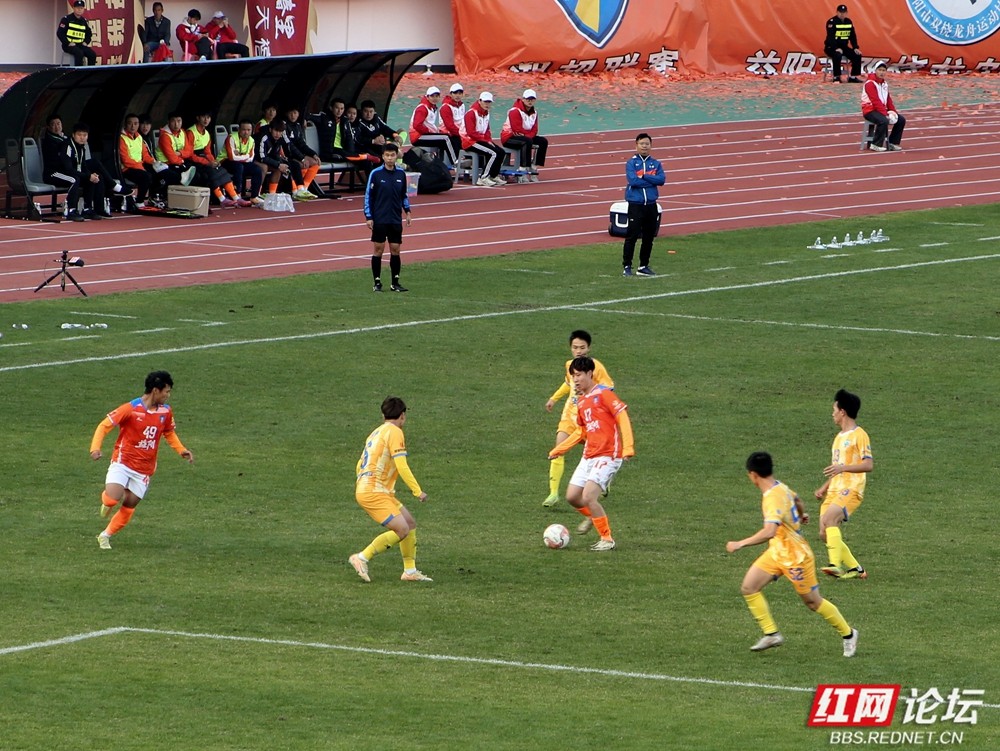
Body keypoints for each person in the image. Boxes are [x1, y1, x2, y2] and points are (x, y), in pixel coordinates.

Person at [726, 451, 859, 657]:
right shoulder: (780, 486)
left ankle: (849, 634)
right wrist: (801, 514)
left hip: (797, 557)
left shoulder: (772, 498)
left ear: (753, 475)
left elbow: (769, 531)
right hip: (777, 552)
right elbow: (797, 500)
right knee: (749, 587)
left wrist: (740, 543)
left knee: (813, 602)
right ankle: (772, 634)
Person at [91, 371, 193, 550]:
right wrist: (95, 448)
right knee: (112, 500)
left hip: (144, 470)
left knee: (129, 505)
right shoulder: (130, 409)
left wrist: (181, 450)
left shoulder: (166, 411)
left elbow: (168, 432)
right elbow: (104, 425)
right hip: (123, 463)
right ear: (155, 390)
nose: (168, 395)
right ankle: (107, 503)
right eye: (166, 391)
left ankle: (105, 536)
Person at [547, 356, 633, 552]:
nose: (576, 380)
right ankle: (595, 517)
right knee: (572, 497)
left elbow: (622, 416)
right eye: (573, 376)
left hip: (608, 455)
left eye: (579, 375)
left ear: (590, 373)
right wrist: (559, 450)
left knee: (588, 496)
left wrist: (628, 447)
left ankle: (607, 538)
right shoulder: (582, 401)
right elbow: (581, 432)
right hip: (589, 455)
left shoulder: (604, 394)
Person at [348, 396, 432, 583]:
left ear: (383, 415)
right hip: (374, 491)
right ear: (402, 416)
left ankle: (409, 571)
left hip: (375, 489)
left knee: (409, 523)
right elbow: (401, 465)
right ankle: (361, 557)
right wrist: (417, 491)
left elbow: (360, 463)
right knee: (402, 529)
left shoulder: (376, 433)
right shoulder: (395, 432)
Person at [543, 330, 614, 519]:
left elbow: (609, 386)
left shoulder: (596, 367)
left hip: (589, 419)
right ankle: (553, 493)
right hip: (570, 416)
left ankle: (602, 480)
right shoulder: (569, 365)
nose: (579, 351)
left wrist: (591, 393)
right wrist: (554, 398)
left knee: (595, 454)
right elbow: (568, 383)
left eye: (582, 347)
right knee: (559, 447)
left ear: (588, 348)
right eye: (575, 347)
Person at [814, 389, 873, 580]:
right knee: (824, 532)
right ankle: (856, 569)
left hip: (852, 488)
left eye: (834, 410)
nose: (832, 414)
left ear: (842, 412)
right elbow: (838, 468)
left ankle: (836, 565)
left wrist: (843, 468)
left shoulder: (859, 435)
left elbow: (868, 465)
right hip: (834, 489)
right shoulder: (839, 438)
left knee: (830, 518)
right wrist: (824, 487)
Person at [363, 142, 412, 292]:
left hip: (395, 218)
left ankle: (395, 282)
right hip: (380, 218)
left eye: (392, 155)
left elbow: (404, 195)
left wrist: (408, 211)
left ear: (396, 156)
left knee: (395, 249)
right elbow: (368, 196)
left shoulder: (401, 174)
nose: (390, 158)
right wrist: (368, 216)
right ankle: (377, 282)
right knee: (378, 249)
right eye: (387, 155)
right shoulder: (376, 174)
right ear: (383, 156)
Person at [185, 110, 251, 207]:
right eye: (203, 117)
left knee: (221, 170)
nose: (206, 120)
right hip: (193, 161)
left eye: (208, 117)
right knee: (211, 172)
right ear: (198, 118)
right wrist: (207, 163)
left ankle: (236, 197)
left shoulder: (207, 133)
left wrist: (213, 161)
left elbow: (207, 152)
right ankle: (222, 199)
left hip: (204, 159)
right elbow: (190, 154)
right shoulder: (191, 132)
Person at [621, 132, 664, 277]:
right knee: (632, 236)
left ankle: (643, 266)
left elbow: (661, 180)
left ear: (651, 146)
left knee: (648, 238)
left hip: (651, 205)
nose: (644, 146)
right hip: (636, 205)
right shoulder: (631, 163)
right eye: (642, 143)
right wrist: (652, 180)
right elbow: (633, 181)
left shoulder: (656, 163)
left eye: (647, 144)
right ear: (636, 145)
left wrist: (644, 176)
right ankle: (627, 266)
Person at [119, 112, 176, 209]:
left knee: (161, 173)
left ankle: (153, 198)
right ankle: (139, 201)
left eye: (135, 123)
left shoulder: (139, 137)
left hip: (138, 166)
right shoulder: (122, 138)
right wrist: (141, 167)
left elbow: (145, 155)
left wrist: (155, 162)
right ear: (125, 124)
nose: (133, 126)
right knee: (146, 176)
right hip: (127, 169)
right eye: (130, 123)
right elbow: (126, 160)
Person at [256, 118, 316, 202]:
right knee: (266, 167)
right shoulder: (263, 137)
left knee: (293, 164)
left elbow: (289, 145)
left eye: (280, 132)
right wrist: (278, 164)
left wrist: (302, 158)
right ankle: (256, 194)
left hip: (269, 158)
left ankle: (299, 189)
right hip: (256, 159)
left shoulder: (281, 136)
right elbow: (262, 157)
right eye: (276, 131)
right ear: (270, 129)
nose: (278, 134)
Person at [500, 89, 548, 180]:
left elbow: (534, 129)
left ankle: (534, 167)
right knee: (527, 142)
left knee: (543, 141)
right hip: (509, 137)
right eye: (528, 99)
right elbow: (517, 130)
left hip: (526, 137)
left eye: (532, 99)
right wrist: (529, 136)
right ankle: (522, 169)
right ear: (523, 99)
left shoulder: (535, 113)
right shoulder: (515, 111)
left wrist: (529, 136)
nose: (530, 101)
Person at [460, 92, 506, 187]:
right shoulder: (471, 113)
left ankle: (493, 176)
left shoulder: (486, 114)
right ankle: (483, 178)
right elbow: (471, 133)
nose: (487, 104)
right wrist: (485, 141)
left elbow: (487, 130)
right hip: (469, 141)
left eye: (489, 102)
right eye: (485, 102)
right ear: (480, 101)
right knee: (493, 153)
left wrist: (489, 140)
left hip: (480, 140)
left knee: (501, 152)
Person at [408, 86, 461, 166]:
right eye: (432, 96)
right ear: (427, 97)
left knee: (447, 138)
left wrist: (435, 132)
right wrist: (428, 131)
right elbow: (417, 125)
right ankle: (455, 161)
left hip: (423, 135)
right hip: (418, 137)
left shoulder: (432, 108)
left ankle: (442, 164)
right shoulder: (423, 108)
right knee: (445, 138)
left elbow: (429, 124)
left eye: (436, 96)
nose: (434, 98)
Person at [862, 62, 906, 152]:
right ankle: (875, 144)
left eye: (883, 70)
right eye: (879, 70)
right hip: (870, 111)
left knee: (901, 120)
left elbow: (888, 99)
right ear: (875, 71)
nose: (881, 72)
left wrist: (893, 111)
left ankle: (892, 143)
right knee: (883, 121)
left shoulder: (884, 84)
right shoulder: (870, 84)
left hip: (881, 110)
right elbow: (875, 101)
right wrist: (885, 114)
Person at [223, 119, 264, 205]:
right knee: (239, 167)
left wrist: (240, 156)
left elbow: (251, 158)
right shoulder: (231, 138)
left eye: (249, 130)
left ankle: (254, 196)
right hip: (225, 161)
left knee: (257, 169)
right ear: (239, 130)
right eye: (244, 130)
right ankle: (237, 195)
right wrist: (246, 156)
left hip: (241, 163)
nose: (246, 132)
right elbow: (231, 157)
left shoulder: (252, 140)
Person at [283, 107, 323, 195]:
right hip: (288, 155)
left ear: (298, 114)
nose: (293, 115)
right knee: (302, 164)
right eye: (290, 113)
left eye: (295, 113)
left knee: (315, 162)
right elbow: (289, 146)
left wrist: (314, 154)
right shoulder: (284, 126)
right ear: (286, 114)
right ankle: (296, 189)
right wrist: (302, 158)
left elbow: (302, 144)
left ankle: (304, 188)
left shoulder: (298, 126)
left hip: (298, 155)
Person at [155, 112, 198, 189]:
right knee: (182, 178)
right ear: (168, 122)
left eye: (179, 121)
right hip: (166, 164)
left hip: (180, 161)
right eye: (173, 121)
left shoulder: (182, 132)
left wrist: (180, 153)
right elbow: (171, 158)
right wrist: (182, 161)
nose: (176, 124)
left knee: (198, 175)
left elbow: (189, 151)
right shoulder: (164, 136)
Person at [309, 98, 357, 162]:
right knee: (356, 158)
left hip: (343, 151)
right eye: (337, 108)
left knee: (363, 159)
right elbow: (308, 115)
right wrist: (305, 120)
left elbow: (349, 138)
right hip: (330, 153)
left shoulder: (345, 121)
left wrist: (351, 152)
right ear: (331, 108)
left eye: (342, 109)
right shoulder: (324, 118)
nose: (339, 111)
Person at [824, 4, 862, 83]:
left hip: (844, 47)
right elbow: (831, 37)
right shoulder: (831, 22)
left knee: (857, 55)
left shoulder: (849, 22)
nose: (842, 14)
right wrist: (835, 48)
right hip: (831, 47)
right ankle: (837, 77)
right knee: (837, 55)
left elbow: (852, 35)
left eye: (844, 12)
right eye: (840, 12)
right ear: (837, 12)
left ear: (846, 13)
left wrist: (855, 47)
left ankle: (853, 77)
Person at [57, 0, 97, 67]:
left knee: (92, 54)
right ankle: (78, 72)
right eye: (77, 8)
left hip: (80, 44)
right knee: (79, 53)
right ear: (73, 8)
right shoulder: (66, 19)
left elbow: (89, 33)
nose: (79, 10)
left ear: (83, 9)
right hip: (68, 45)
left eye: (81, 8)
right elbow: (60, 33)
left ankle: (90, 72)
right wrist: (68, 43)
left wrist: (86, 42)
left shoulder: (84, 21)